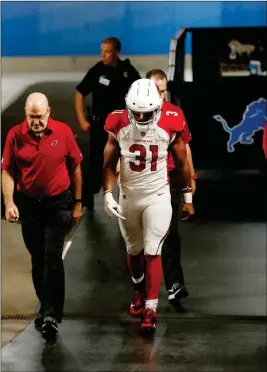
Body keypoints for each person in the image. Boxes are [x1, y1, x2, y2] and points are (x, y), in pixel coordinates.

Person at [102, 79, 194, 331]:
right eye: (137, 111)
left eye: (147, 112)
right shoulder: (117, 122)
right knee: (134, 250)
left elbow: (183, 162)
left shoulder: (171, 120)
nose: (141, 117)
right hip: (129, 195)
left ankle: (151, 309)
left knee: (152, 250)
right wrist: (108, 194)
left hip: (157, 194)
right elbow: (108, 162)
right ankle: (139, 290)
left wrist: (187, 196)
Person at [1, 92, 83, 338]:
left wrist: (78, 203)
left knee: (52, 255)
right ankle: (46, 306)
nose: (35, 121)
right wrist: (8, 204)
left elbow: (75, 165)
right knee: (37, 258)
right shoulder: (15, 135)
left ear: (49, 112)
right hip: (29, 204)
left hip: (59, 203)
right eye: (30, 117)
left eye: (39, 116)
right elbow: (7, 171)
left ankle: (50, 313)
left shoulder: (63, 132)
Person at [146, 69, 197, 305]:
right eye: (156, 90)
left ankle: (175, 284)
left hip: (170, 182)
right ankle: (143, 289)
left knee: (170, 234)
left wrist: (191, 178)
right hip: (143, 185)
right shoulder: (135, 113)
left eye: (163, 90)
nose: (160, 95)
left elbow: (185, 149)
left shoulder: (175, 113)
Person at [75, 37, 140, 210]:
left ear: (116, 52)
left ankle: (129, 197)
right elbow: (80, 93)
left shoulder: (127, 71)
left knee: (127, 161)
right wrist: (82, 119)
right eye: (102, 51)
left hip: (123, 128)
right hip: (100, 127)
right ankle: (88, 198)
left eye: (107, 51)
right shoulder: (97, 71)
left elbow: (140, 92)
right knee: (97, 161)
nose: (103, 55)